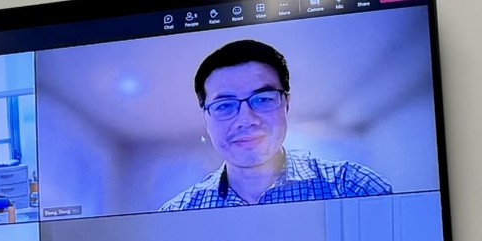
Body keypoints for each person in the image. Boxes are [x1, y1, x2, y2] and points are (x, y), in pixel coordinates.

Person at [160, 39, 391, 211]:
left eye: (263, 99)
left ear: (286, 105)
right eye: (224, 105)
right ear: (206, 120)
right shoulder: (176, 213)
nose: (246, 119)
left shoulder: (351, 186)